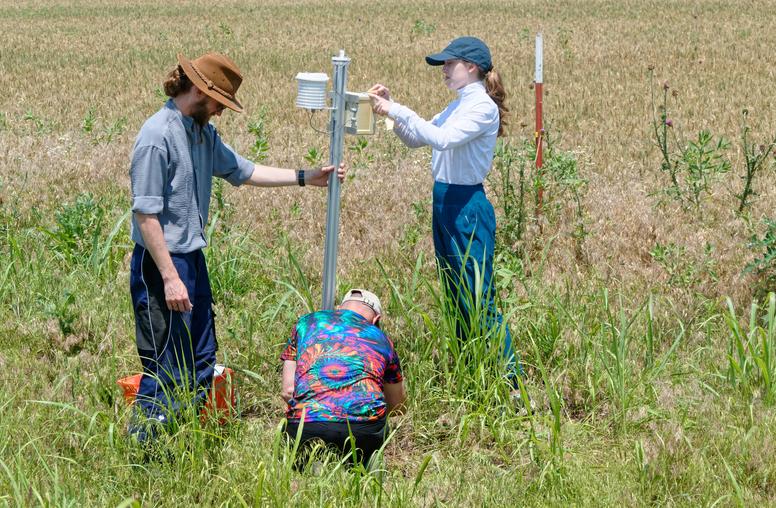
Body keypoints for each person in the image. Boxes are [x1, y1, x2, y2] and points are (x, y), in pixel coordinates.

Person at [128, 52, 345, 441]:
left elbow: (242, 170)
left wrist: (304, 177)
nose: (221, 112)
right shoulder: (156, 136)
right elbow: (146, 217)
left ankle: (183, 443)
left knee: (201, 361)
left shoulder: (202, 133)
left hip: (191, 260)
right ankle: (146, 454)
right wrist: (170, 278)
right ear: (197, 89)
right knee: (167, 366)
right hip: (161, 265)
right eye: (218, 103)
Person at [367, 37, 520, 381]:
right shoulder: (457, 105)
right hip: (445, 202)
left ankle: (511, 382)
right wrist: (390, 111)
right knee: (455, 293)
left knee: (479, 297)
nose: (445, 71)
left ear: (472, 68)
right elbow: (416, 138)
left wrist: (396, 110)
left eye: (450, 64)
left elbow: (443, 139)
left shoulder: (481, 107)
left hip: (466, 205)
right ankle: (473, 372)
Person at [280, 289, 406, 467]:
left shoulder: (306, 323)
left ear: (339, 308)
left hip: (307, 425)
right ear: (376, 320)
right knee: (367, 444)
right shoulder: (383, 340)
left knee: (300, 453)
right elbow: (397, 406)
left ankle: (313, 465)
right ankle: (367, 464)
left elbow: (288, 391)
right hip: (363, 430)